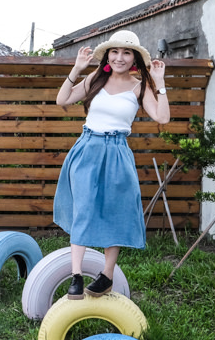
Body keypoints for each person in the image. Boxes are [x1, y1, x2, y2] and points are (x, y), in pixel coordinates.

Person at [53, 30, 171, 299]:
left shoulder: (139, 86)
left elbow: (162, 117)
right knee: (83, 209)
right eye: (115, 52)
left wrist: (159, 81)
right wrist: (76, 69)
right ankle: (76, 276)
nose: (119, 57)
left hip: (117, 152)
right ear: (107, 55)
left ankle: (107, 275)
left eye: (126, 52)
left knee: (115, 211)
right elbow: (62, 100)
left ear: (134, 59)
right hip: (87, 149)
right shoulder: (96, 78)